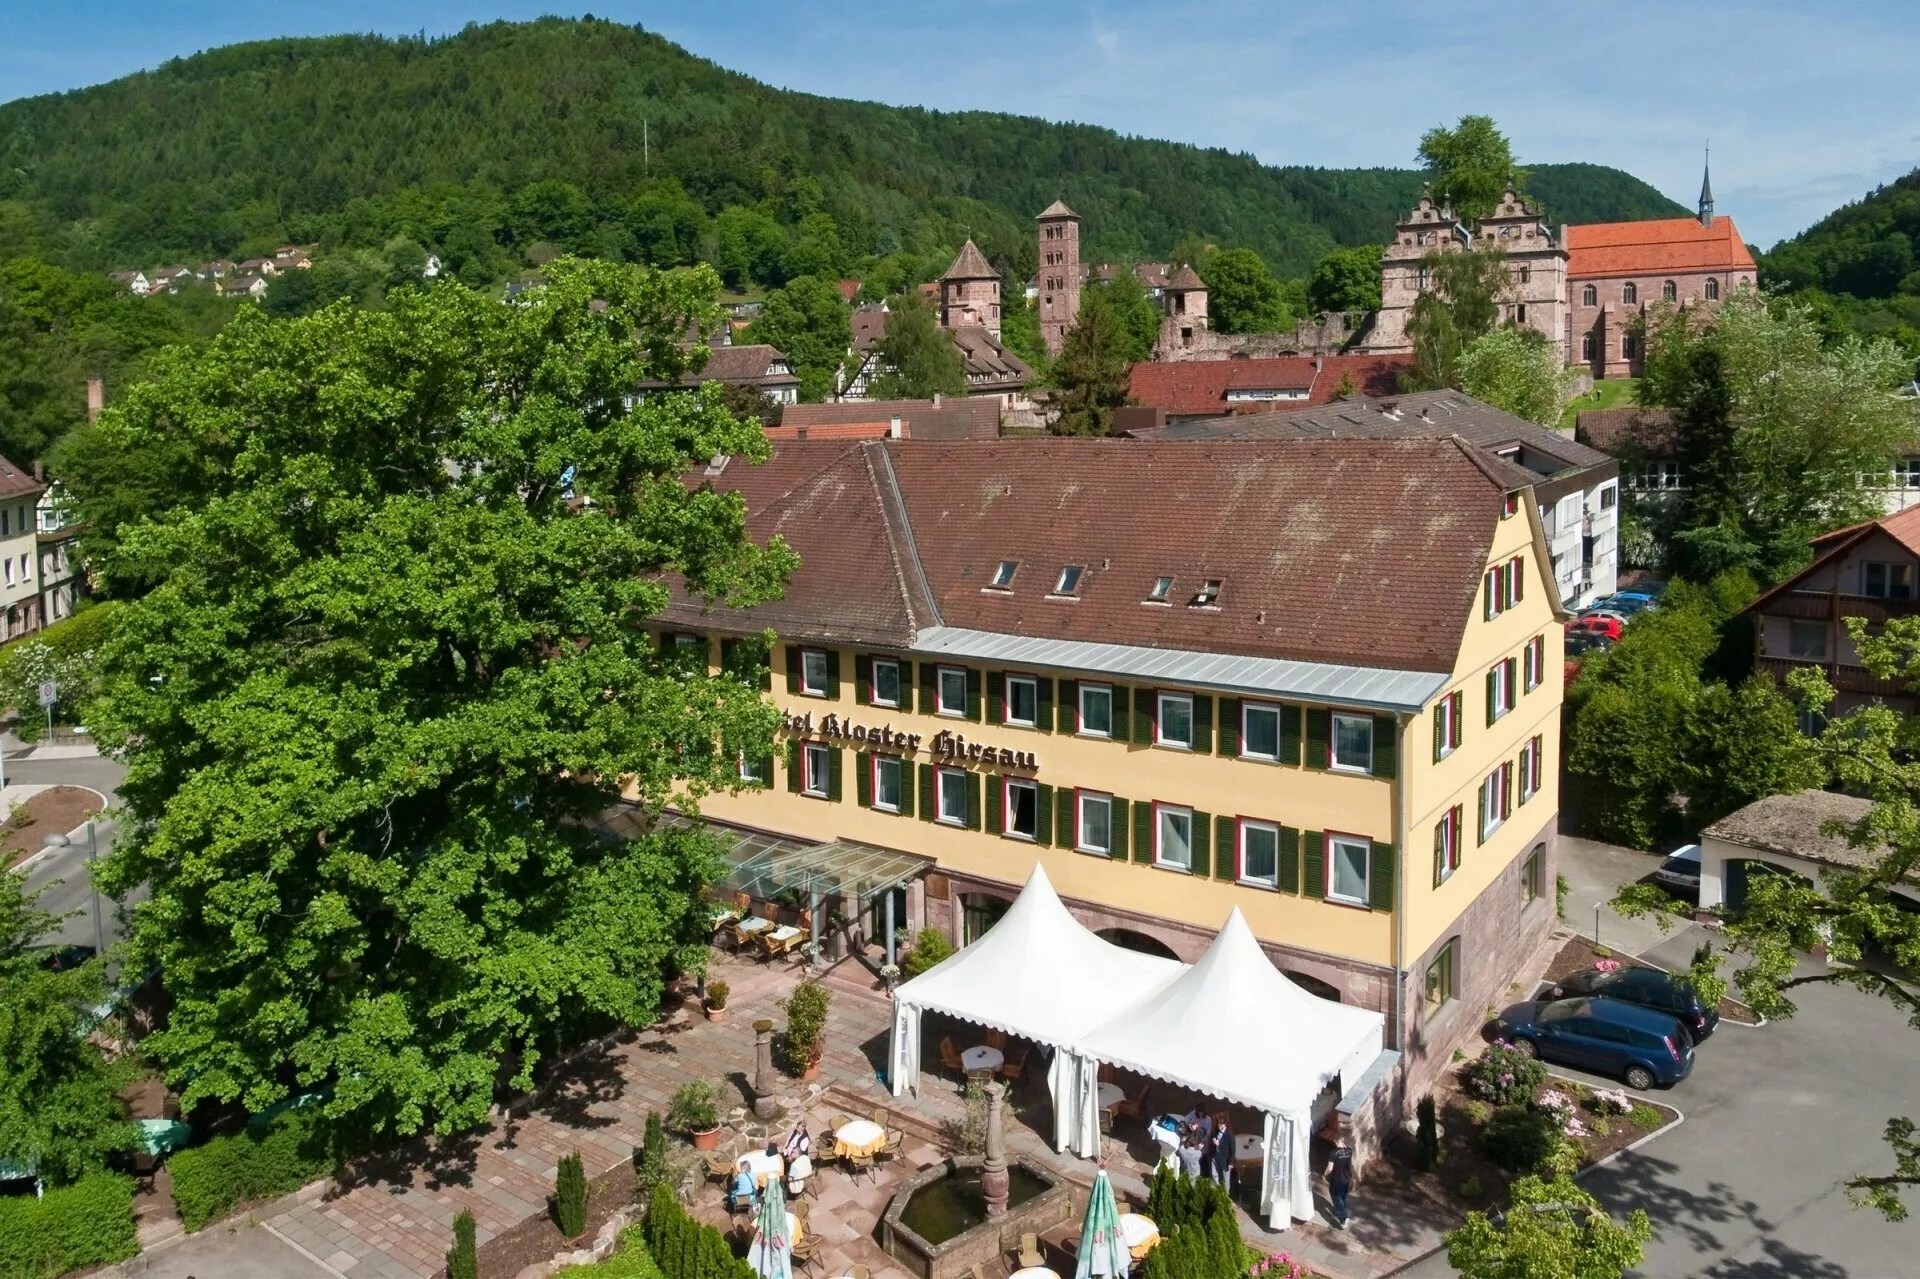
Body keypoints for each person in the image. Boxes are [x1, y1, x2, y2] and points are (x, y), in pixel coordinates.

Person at [1324, 1133, 1354, 1230]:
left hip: (1337, 1179)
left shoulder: (1333, 1153)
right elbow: (1345, 1150)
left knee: (1336, 1198)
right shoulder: (1349, 1151)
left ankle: (1343, 1219)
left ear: (1336, 1141)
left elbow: (1330, 1168)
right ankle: (1343, 1214)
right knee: (1343, 1197)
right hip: (1346, 1178)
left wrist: (1324, 1174)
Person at [1210, 1117, 1234, 1190]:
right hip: (1216, 1155)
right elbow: (1213, 1136)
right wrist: (1213, 1139)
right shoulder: (1217, 1132)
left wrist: (1230, 1162)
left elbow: (1233, 1150)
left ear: (1224, 1124)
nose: (1219, 1126)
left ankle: (1225, 1194)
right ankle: (1215, 1189)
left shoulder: (1230, 1135)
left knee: (1225, 1176)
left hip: (1225, 1157)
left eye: (1221, 1125)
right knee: (1214, 1173)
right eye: (1218, 1125)